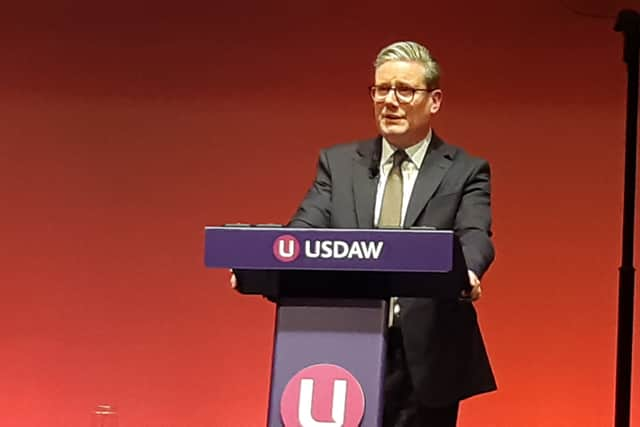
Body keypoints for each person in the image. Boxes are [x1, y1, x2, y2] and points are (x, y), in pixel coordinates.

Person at [233, 40, 496, 427]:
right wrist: (267, 265)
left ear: (434, 101)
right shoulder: (339, 165)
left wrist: (468, 272)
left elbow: (475, 234)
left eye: (404, 90)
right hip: (343, 344)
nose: (389, 101)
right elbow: (304, 233)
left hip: (424, 357)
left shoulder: (465, 170)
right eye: (381, 89)